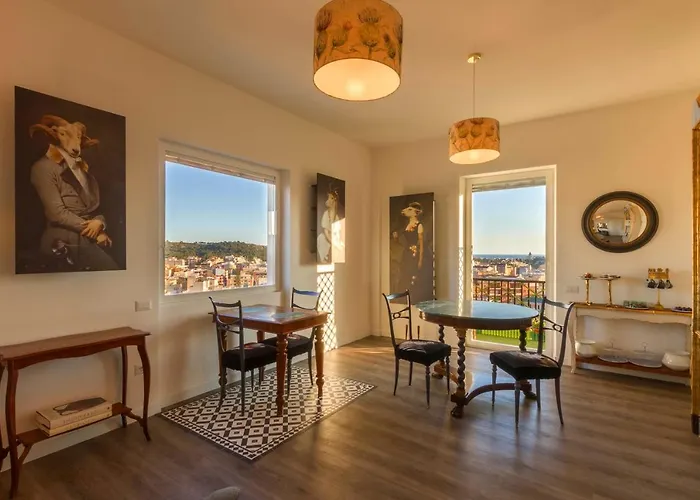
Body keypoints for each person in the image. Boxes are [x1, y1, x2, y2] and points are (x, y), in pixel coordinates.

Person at [28, 116, 118, 271]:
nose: (75, 144)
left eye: (77, 137)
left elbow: (93, 208)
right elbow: (56, 214)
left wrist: (99, 223)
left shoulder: (84, 172)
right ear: (55, 135)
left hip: (86, 239)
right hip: (63, 240)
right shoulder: (43, 167)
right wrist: (96, 233)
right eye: (64, 134)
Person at [395, 201, 425, 298]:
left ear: (416, 212)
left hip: (413, 254)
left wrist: (420, 260)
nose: (407, 211)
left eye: (410, 210)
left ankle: (412, 297)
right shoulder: (406, 225)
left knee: (412, 277)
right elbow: (402, 241)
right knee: (404, 276)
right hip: (406, 254)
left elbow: (421, 245)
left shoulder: (419, 225)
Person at [317, 188, 340, 263]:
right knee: (321, 238)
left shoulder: (336, 217)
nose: (329, 200)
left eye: (332, 198)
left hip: (333, 237)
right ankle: (324, 258)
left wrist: (336, 241)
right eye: (329, 198)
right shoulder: (326, 214)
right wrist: (332, 242)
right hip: (326, 237)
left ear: (335, 201)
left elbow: (337, 232)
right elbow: (326, 232)